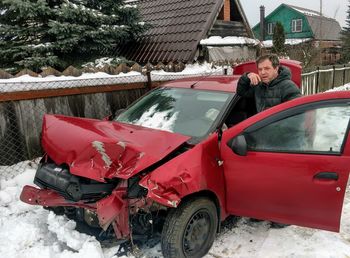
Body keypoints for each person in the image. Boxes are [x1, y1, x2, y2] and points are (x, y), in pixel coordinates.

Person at [237, 54, 301, 113]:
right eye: (260, 69)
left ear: (276, 69)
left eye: (267, 68)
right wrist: (247, 76)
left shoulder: (289, 87)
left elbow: (296, 113)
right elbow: (241, 92)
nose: (262, 72)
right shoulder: (259, 85)